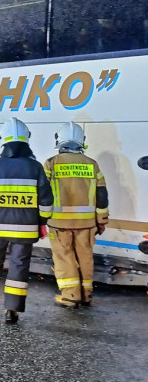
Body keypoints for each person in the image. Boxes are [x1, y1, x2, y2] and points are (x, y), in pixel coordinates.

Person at [0, 117, 53, 324]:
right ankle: (12, 311)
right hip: (26, 229)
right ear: (27, 139)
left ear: (3, 139)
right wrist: (42, 222)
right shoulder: (36, 167)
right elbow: (46, 200)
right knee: (19, 265)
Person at [43, 122, 109, 308]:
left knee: (64, 257)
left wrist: (41, 217)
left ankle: (71, 295)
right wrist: (101, 220)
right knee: (85, 257)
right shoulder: (92, 164)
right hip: (87, 223)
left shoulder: (51, 163)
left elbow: (43, 192)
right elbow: (102, 195)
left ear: (59, 140)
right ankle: (86, 294)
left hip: (59, 222)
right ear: (82, 141)